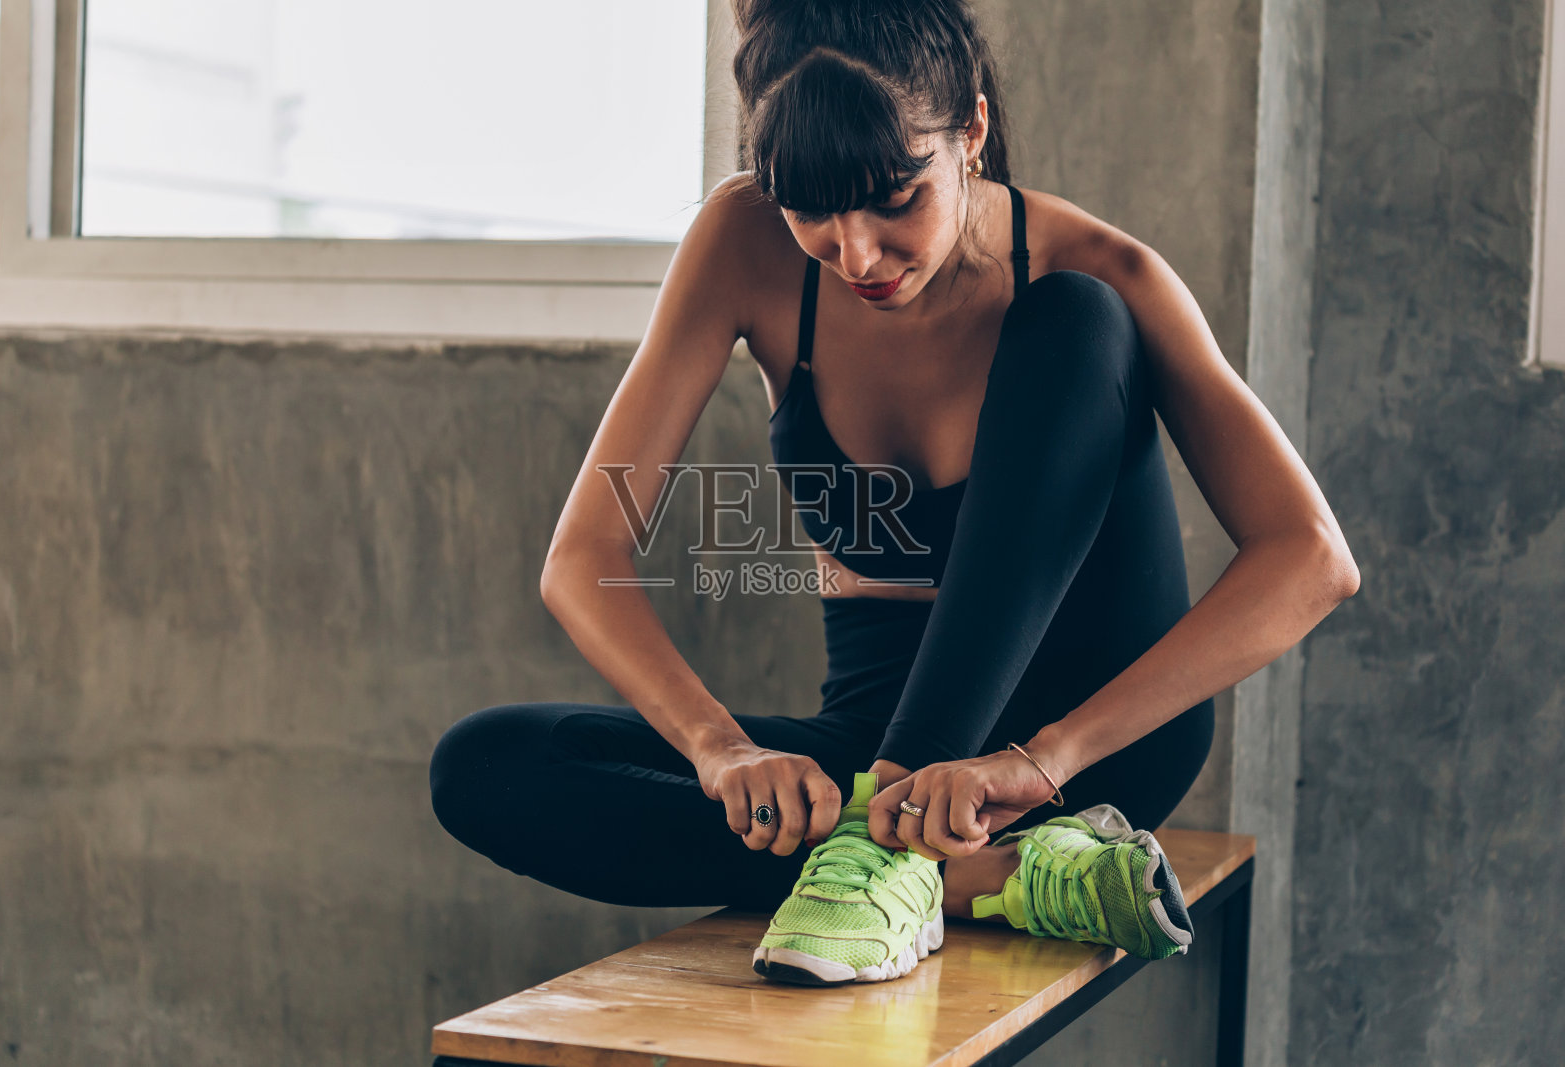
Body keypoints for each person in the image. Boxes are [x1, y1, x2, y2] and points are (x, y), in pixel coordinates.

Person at [429, 0, 1360, 986]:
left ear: (972, 130)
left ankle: (903, 849)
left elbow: (1311, 557)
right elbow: (583, 558)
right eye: (811, 210)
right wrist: (719, 749)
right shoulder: (740, 240)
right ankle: (968, 875)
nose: (857, 254)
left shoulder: (1100, 268)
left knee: (1080, 321)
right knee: (487, 764)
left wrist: (1046, 756)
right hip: (869, 753)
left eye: (893, 198)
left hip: (1075, 764)